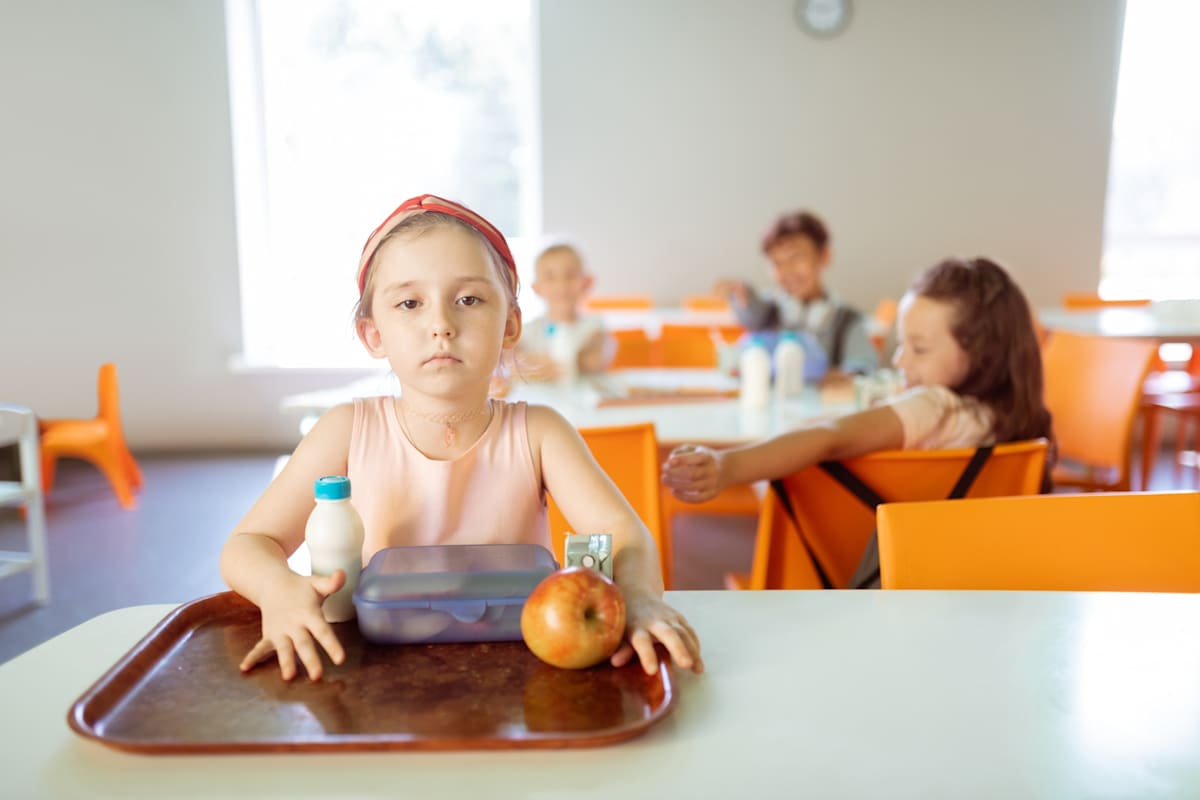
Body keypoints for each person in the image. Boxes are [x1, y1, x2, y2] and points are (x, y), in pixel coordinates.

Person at [220, 194, 702, 682]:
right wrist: (279, 590)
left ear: (511, 324)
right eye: (410, 303)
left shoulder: (540, 432)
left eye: (469, 299)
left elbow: (626, 536)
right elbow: (249, 543)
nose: (441, 325)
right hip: (379, 674)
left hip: (518, 671)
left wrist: (638, 596)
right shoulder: (346, 429)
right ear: (373, 335)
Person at [665, 255, 1054, 503]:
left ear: (982, 354)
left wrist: (726, 466)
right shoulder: (1013, 417)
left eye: (919, 349)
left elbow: (830, 437)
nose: (900, 359)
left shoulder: (933, 405)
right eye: (901, 344)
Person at [713, 209, 879, 376]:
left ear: (824, 256)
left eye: (795, 257)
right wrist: (741, 293)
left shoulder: (847, 321)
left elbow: (864, 365)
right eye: (776, 263)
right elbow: (749, 312)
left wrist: (846, 376)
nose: (787, 271)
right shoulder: (768, 309)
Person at [516, 242, 609, 381]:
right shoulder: (528, 331)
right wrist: (526, 366)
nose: (561, 285)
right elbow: (510, 362)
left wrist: (573, 361)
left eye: (570, 276)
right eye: (550, 277)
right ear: (536, 288)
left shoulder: (593, 327)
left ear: (587, 283)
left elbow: (594, 360)